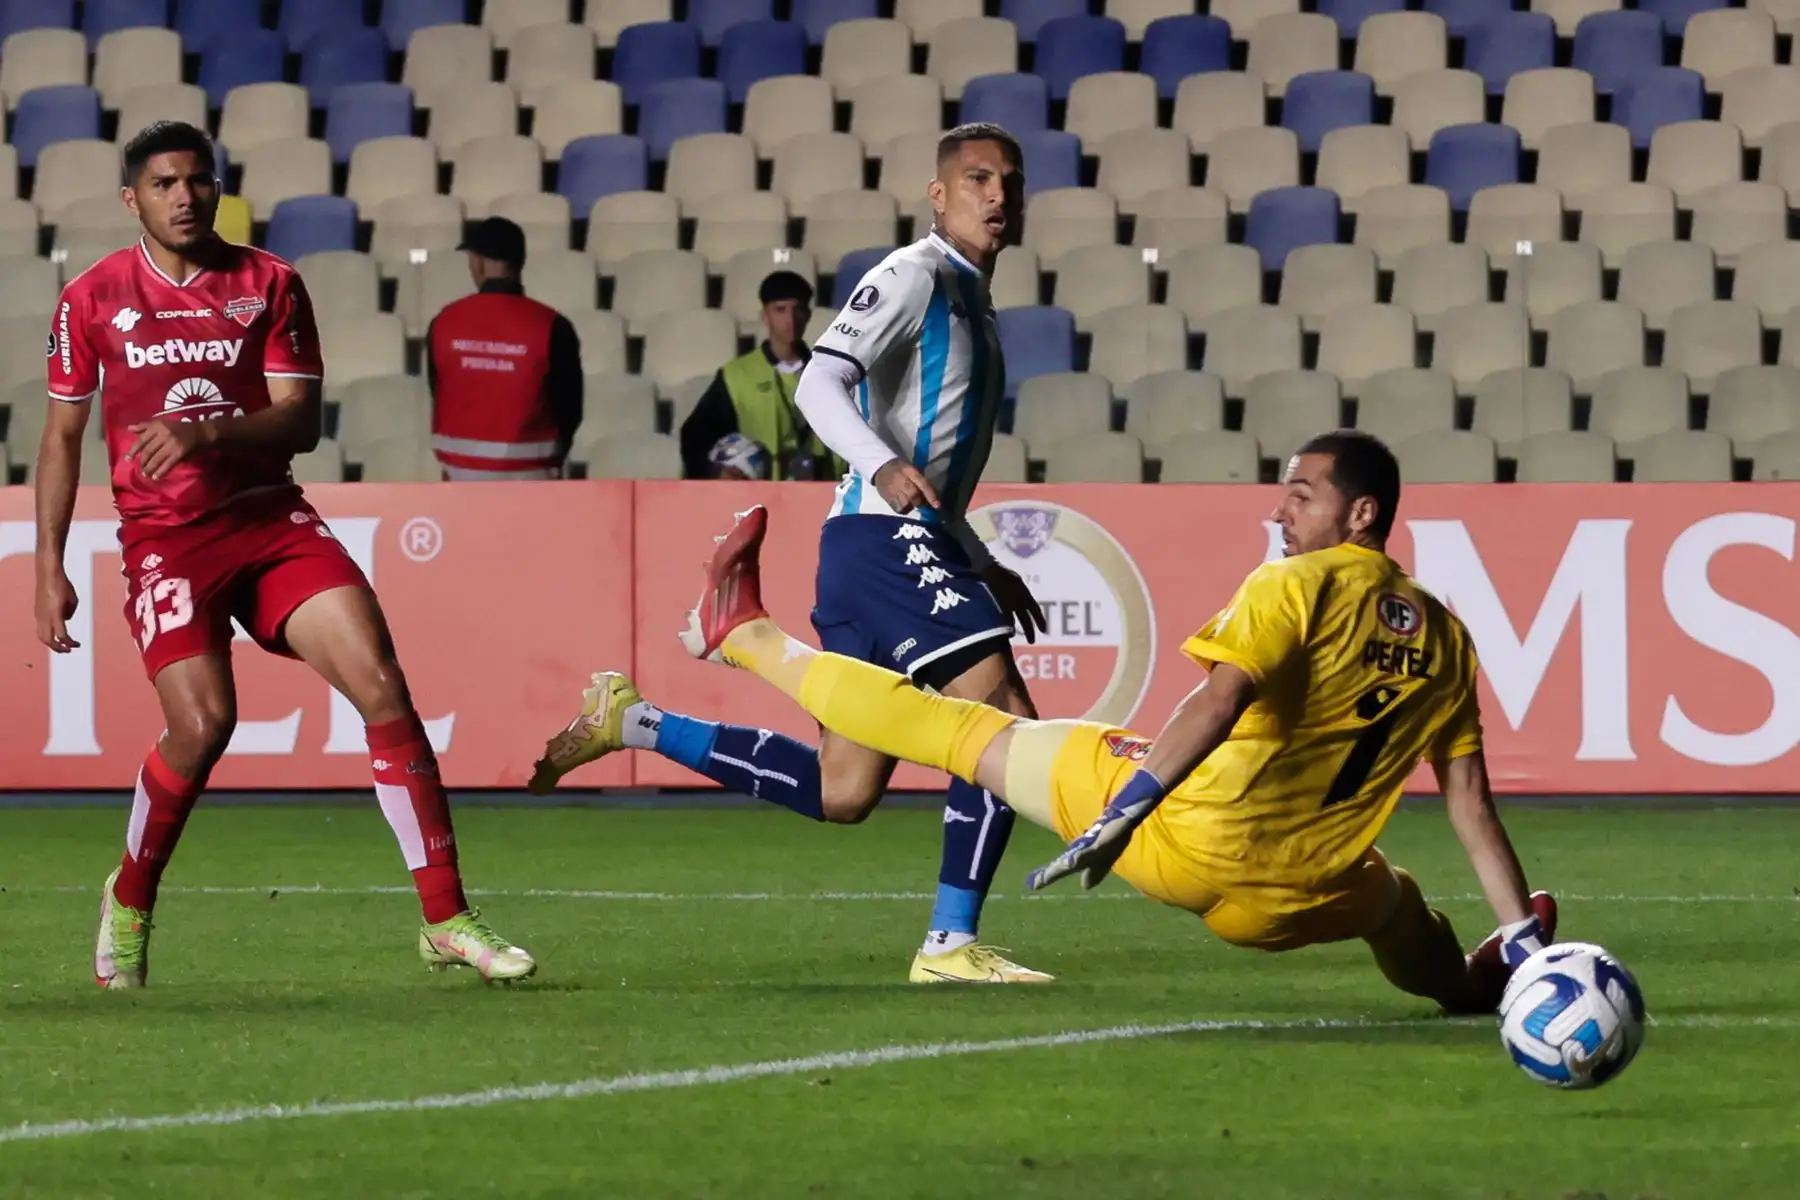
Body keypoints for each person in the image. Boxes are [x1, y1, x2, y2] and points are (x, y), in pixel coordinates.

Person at [637, 430, 1562, 1012]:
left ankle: (747, 636)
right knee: (1395, 903)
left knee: (967, 729)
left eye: (1301, 494)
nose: (1280, 510)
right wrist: (1523, 930)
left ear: (1361, 514)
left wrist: (1132, 804)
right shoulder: (1447, 637)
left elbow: (1219, 697)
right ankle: (1487, 983)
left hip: (1180, 843)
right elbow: (1473, 808)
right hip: (1295, 903)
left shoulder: (1297, 583)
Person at [530, 123, 1054, 985]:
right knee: (1003, 721)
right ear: (937, 194)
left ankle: (636, 722)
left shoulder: (973, 299)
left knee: (845, 789)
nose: (997, 196)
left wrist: (977, 558)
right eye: (977, 179)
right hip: (887, 544)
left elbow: (932, 467)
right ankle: (950, 943)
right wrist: (880, 464)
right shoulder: (914, 273)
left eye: (1009, 182)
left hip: (889, 544)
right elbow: (820, 378)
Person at [32, 121, 535, 988]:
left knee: (380, 681)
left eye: (197, 181)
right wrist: (49, 569)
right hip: (166, 541)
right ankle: (130, 896)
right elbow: (61, 435)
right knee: (202, 725)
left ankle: (446, 918)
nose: (184, 196)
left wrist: (207, 431)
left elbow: (299, 420)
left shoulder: (268, 283)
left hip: (268, 522)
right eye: (164, 184)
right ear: (133, 199)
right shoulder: (91, 298)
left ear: (217, 187)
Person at [427, 216, 583, 481]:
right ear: (520, 263)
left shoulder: (443, 322)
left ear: (478, 262)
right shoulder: (553, 326)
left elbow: (437, 389)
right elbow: (569, 409)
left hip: (458, 481)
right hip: (532, 479)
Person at [678, 270, 842, 482]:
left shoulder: (831, 374)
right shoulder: (737, 376)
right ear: (764, 315)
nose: (790, 319)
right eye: (780, 310)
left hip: (821, 496)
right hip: (758, 497)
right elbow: (694, 436)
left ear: (808, 314)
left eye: (797, 309)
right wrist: (717, 472)